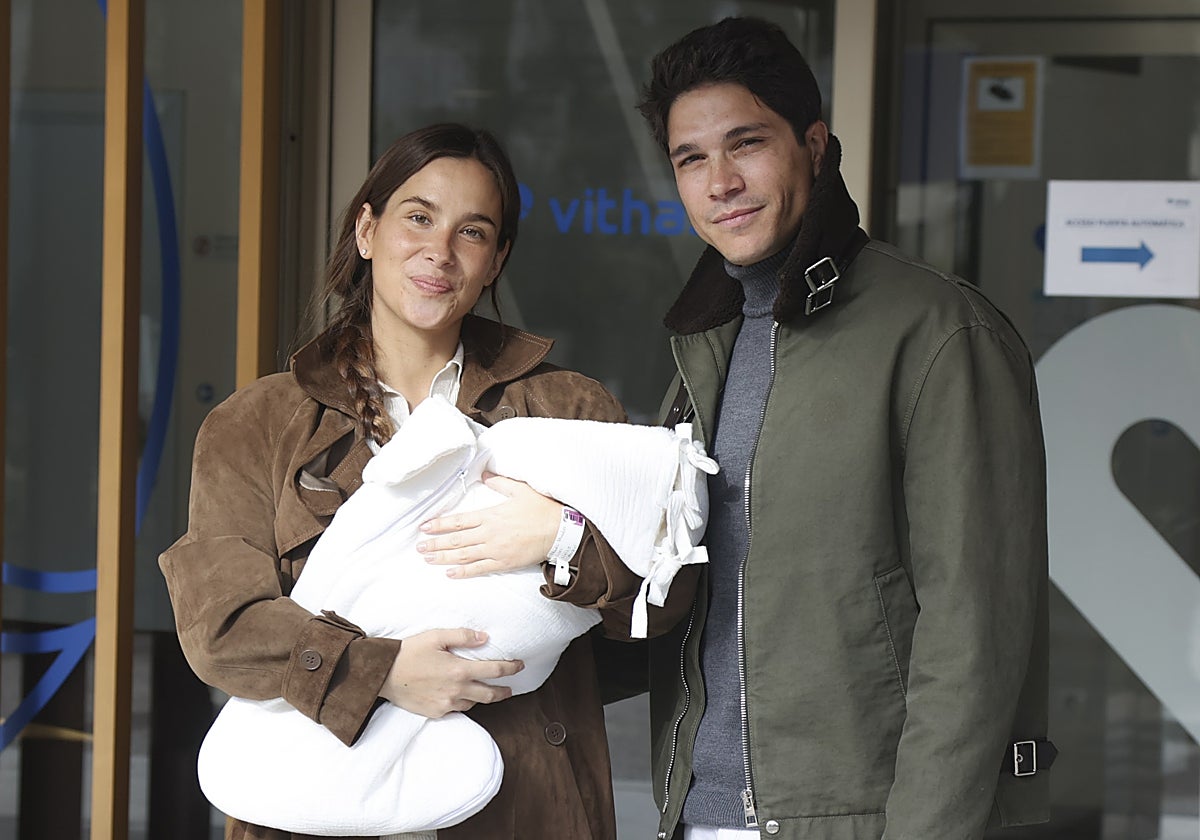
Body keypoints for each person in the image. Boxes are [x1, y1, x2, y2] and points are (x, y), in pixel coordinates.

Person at [159, 122, 691, 840]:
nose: (439, 252)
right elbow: (218, 629)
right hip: (314, 808)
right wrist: (378, 670)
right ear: (368, 228)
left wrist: (561, 537)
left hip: (522, 806)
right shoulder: (257, 423)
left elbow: (666, 608)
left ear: (496, 259)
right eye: (418, 217)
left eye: (472, 232)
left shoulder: (567, 410)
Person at [624, 16, 1054, 840]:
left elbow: (974, 639)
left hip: (857, 820)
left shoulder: (938, 332)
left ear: (815, 146)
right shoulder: (704, 345)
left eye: (745, 143)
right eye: (690, 159)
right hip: (696, 818)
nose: (720, 181)